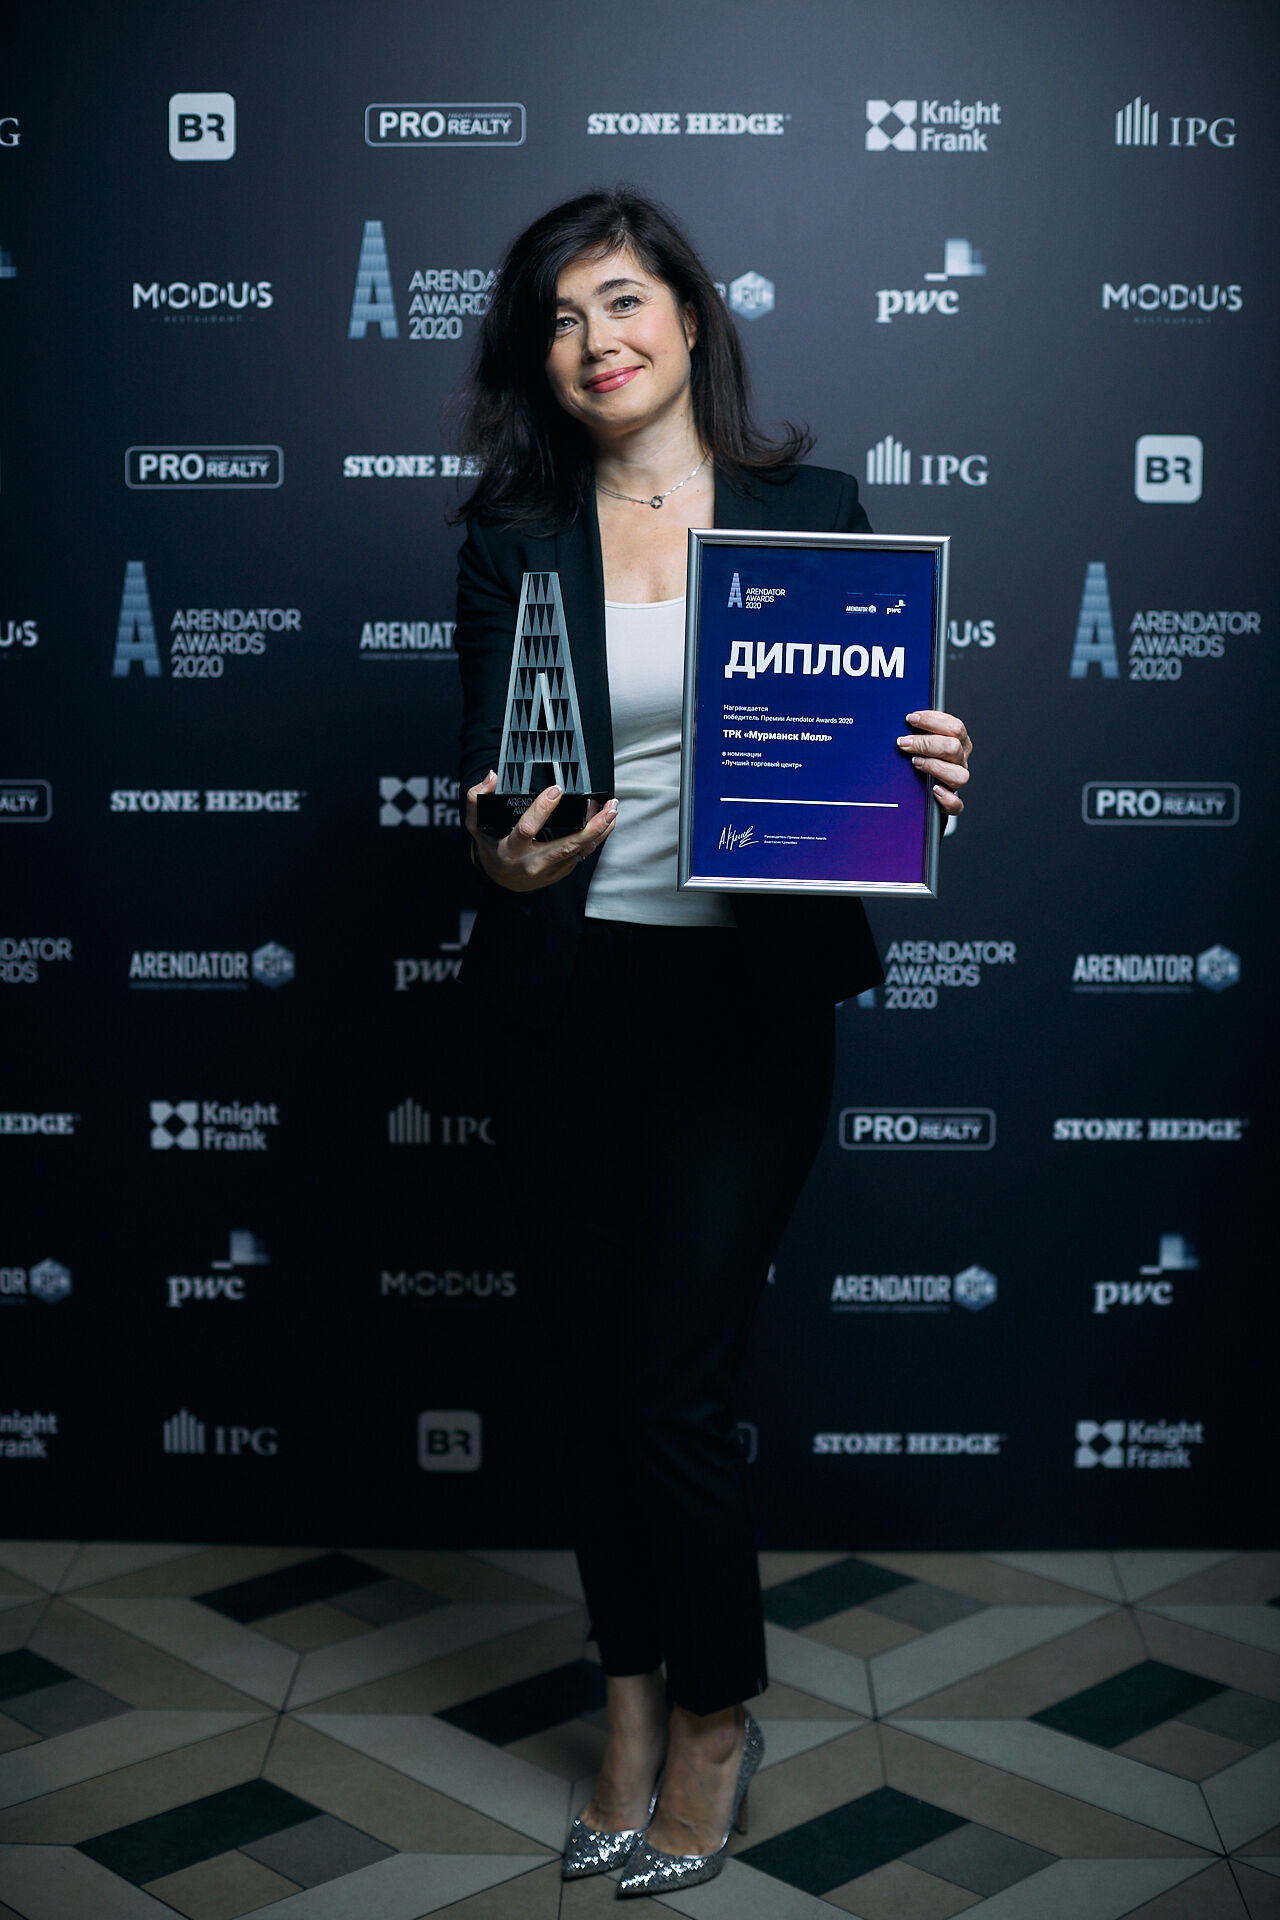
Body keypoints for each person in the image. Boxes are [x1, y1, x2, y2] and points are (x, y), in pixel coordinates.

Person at [451, 188, 972, 1895]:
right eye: (559, 318)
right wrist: (500, 859)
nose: (594, 339)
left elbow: (865, 749)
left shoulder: (815, 516)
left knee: (673, 1384)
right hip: (565, 1006)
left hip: (747, 1006)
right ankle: (624, 1706)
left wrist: (922, 772)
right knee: (595, 1385)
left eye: (620, 299)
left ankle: (713, 1721)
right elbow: (494, 782)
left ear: (686, 314)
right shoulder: (514, 538)